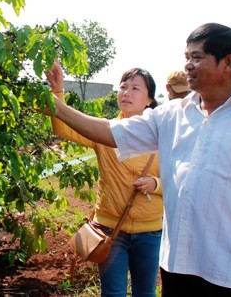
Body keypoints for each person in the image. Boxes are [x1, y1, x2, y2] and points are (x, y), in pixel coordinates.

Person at [43, 23, 231, 297]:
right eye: (186, 58)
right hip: (177, 268)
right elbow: (110, 131)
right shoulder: (172, 115)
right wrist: (56, 106)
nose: (188, 66)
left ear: (227, 63)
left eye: (197, 57)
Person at [45, 60, 162, 297]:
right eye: (123, 87)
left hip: (150, 231)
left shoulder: (162, 134)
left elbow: (180, 178)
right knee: (113, 294)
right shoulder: (104, 130)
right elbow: (63, 130)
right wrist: (57, 90)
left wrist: (156, 184)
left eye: (135, 88)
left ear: (149, 100)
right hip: (110, 229)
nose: (126, 92)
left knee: (145, 293)